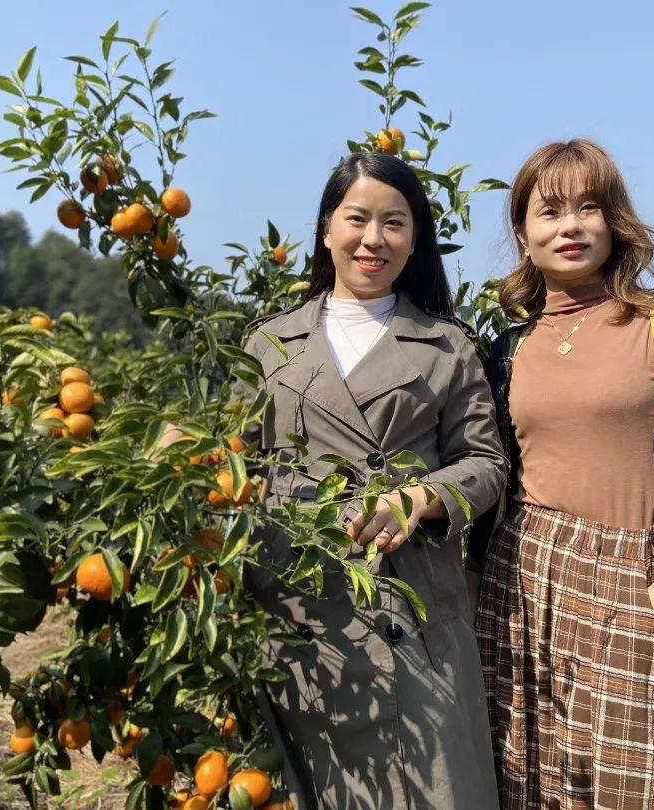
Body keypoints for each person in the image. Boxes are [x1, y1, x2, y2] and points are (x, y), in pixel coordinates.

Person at [471, 139, 654, 808]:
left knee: (646, 783)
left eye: (588, 207)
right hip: (523, 585)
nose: (570, 227)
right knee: (528, 782)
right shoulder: (511, 346)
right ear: (524, 232)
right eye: (550, 212)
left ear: (613, 220)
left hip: (637, 577)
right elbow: (493, 471)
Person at [241, 151, 505, 809]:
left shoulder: (447, 345)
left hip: (412, 612)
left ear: (415, 239)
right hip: (300, 613)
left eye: (394, 222)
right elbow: (233, 471)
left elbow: (486, 463)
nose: (373, 239)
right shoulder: (269, 344)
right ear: (326, 227)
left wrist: (424, 496)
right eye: (357, 218)